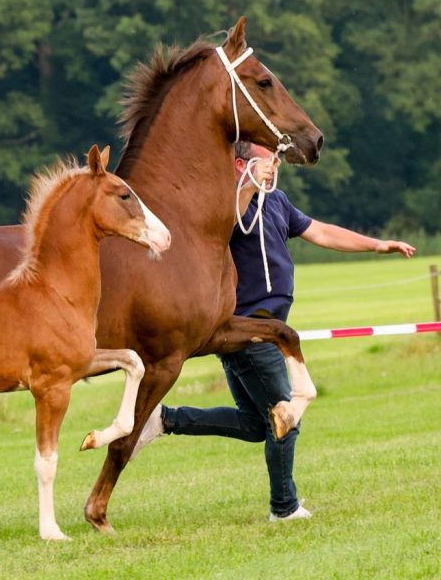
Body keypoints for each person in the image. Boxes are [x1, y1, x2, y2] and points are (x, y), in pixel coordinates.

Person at [132, 141, 416, 521]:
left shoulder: (278, 202)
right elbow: (231, 218)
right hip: (251, 329)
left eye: (276, 161)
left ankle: (165, 419)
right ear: (240, 165)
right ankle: (284, 508)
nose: (273, 167)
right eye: (265, 161)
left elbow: (323, 232)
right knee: (285, 414)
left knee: (253, 423)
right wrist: (248, 186)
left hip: (265, 331)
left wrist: (377, 245)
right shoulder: (225, 204)